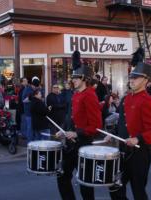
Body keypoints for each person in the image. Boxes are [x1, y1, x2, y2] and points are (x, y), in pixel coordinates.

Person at [109, 61, 151, 200]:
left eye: (136, 77)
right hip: (123, 151)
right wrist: (113, 134)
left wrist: (138, 138)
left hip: (140, 153)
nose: (131, 80)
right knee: (115, 187)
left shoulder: (148, 101)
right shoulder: (127, 99)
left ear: (146, 80)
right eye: (131, 77)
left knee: (138, 191)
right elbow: (123, 122)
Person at [55, 50, 102, 200]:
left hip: (83, 144)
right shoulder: (76, 94)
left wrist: (77, 133)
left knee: (85, 183)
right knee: (62, 176)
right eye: (72, 77)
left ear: (83, 78)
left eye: (75, 77)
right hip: (71, 145)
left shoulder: (89, 95)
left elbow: (96, 125)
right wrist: (64, 130)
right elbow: (71, 117)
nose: (72, 80)